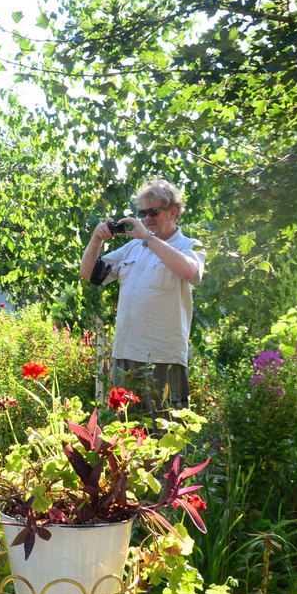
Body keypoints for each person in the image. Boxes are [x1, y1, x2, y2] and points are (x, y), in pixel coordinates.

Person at [80, 178, 206, 419]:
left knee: (166, 435)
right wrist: (96, 239)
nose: (147, 218)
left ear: (174, 212)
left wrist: (147, 237)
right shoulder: (132, 248)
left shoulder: (188, 245)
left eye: (154, 212)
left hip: (163, 359)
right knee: (128, 434)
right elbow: (89, 274)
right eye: (142, 213)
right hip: (125, 356)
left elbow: (192, 273)